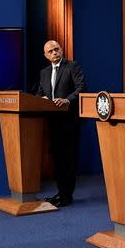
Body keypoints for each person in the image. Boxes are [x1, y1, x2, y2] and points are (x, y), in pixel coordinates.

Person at [37, 40, 86, 207]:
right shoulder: (44, 72)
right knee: (57, 160)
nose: (54, 53)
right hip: (52, 122)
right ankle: (60, 192)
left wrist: (67, 100)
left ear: (62, 50)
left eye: (56, 49)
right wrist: (41, 99)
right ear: (46, 55)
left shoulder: (72, 66)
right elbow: (40, 93)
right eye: (50, 51)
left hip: (69, 121)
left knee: (68, 159)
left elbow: (81, 88)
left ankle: (67, 195)